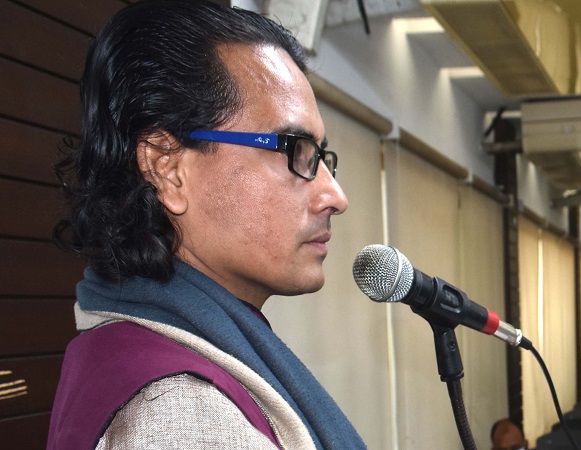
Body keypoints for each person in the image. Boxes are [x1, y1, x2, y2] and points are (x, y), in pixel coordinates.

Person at [46, 1, 365, 448]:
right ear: (167, 169)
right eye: (294, 149)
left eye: (320, 156)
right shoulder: (179, 412)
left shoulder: (130, 343)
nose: (335, 197)